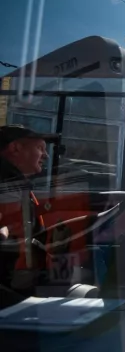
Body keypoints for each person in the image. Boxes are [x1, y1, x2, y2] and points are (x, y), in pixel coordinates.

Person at [0, 124, 58, 308]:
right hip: (9, 284)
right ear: (15, 148)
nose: (46, 155)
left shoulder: (16, 182)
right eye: (40, 148)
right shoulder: (5, 182)